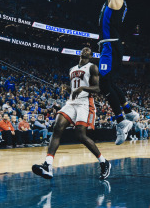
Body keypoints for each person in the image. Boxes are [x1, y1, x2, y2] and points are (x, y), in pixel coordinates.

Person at [32, 47, 111, 180]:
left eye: (88, 50)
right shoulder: (72, 69)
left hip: (85, 103)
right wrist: (67, 88)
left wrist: (82, 88)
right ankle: (48, 166)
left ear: (90, 56)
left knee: (80, 135)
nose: (85, 49)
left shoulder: (92, 67)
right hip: (71, 102)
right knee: (57, 128)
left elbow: (97, 88)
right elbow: (73, 90)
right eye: (84, 48)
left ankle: (104, 162)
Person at [98, 0, 139, 145]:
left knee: (104, 85)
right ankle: (128, 111)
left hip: (111, 45)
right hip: (110, 45)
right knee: (109, 83)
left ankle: (122, 121)